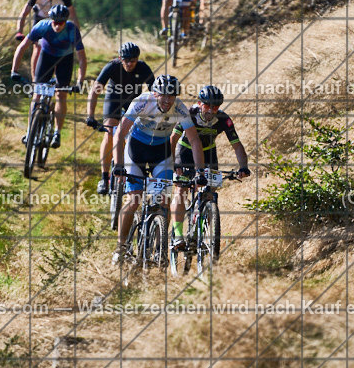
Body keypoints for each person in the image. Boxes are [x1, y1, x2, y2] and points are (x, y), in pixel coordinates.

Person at [111, 75, 206, 265]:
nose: (167, 100)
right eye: (163, 95)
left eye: (171, 96)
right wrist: (119, 164)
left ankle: (159, 246)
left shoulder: (180, 108)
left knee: (164, 200)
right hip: (135, 151)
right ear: (155, 93)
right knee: (134, 199)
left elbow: (194, 140)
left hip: (160, 154)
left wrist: (201, 172)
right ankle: (121, 247)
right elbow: (120, 133)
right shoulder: (141, 102)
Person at [170, 85, 251, 251]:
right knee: (180, 191)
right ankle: (177, 235)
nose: (211, 110)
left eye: (215, 107)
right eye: (207, 106)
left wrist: (243, 166)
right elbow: (173, 138)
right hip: (184, 152)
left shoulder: (223, 119)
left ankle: (203, 225)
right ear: (200, 103)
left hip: (208, 154)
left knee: (209, 193)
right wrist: (174, 163)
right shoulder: (189, 114)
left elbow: (236, 145)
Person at [11, 4, 87, 149]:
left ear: (65, 21)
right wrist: (14, 70)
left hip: (65, 60)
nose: (57, 26)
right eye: (55, 22)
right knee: (37, 94)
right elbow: (22, 47)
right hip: (46, 57)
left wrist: (80, 82)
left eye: (61, 23)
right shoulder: (42, 26)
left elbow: (82, 58)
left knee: (61, 94)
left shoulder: (72, 30)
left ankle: (57, 133)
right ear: (50, 20)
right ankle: (29, 131)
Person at [85, 42, 155, 195]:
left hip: (133, 102)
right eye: (126, 60)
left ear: (137, 59)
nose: (129, 63)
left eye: (133, 60)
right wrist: (90, 115)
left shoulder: (143, 68)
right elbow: (95, 91)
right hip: (114, 99)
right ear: (120, 58)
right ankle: (104, 177)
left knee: (132, 135)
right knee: (109, 133)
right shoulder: (112, 66)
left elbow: (155, 93)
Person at [11, 0, 81, 81]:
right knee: (38, 47)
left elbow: (74, 17)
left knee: (59, 46)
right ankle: (36, 80)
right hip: (40, 20)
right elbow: (24, 13)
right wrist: (19, 31)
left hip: (58, 20)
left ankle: (57, 76)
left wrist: (76, 34)